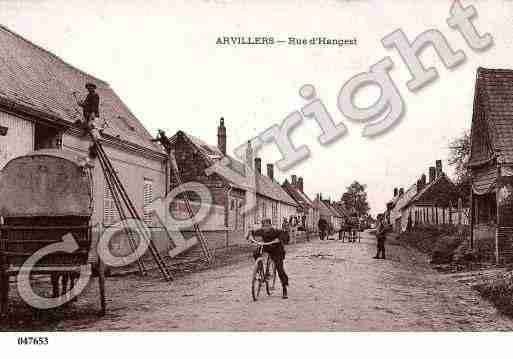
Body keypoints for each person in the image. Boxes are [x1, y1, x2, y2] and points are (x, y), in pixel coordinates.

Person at [248, 219, 289, 299]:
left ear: (270, 225)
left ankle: (284, 288)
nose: (265, 228)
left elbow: (284, 235)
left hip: (277, 249)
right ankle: (259, 268)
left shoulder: (276, 231)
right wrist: (250, 236)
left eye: (267, 226)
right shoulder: (261, 231)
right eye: (264, 226)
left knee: (279, 268)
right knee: (256, 253)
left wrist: (279, 239)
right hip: (266, 246)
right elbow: (252, 232)